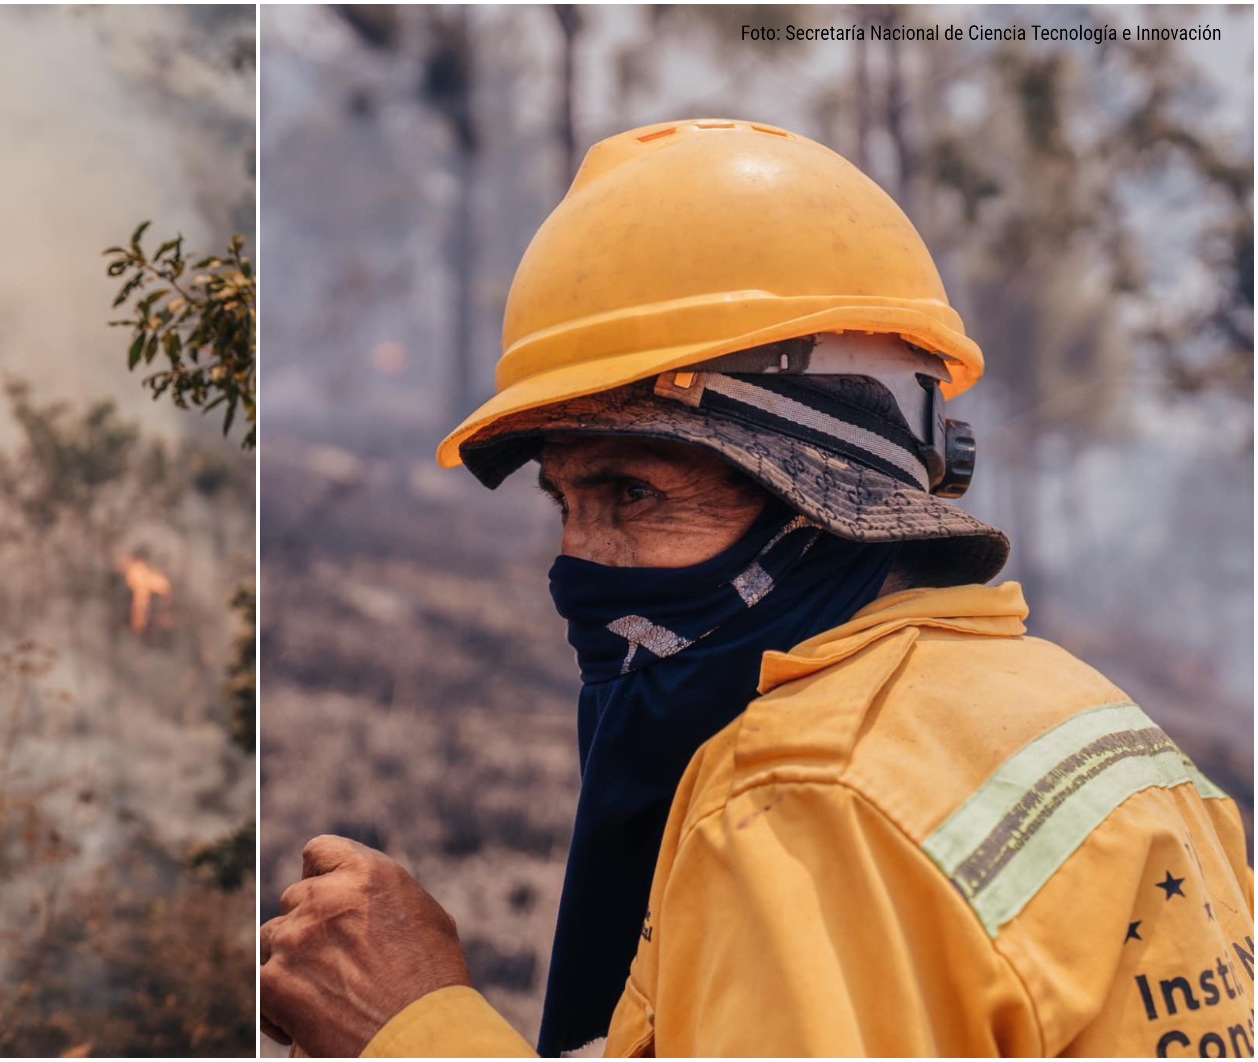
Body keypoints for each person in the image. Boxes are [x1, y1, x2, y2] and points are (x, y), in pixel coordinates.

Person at [259, 119, 1254, 1057]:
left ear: (815, 498)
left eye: (633, 492)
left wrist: (410, 1027)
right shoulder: (1096, 725)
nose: (578, 563)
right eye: (561, 500)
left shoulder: (799, 799)